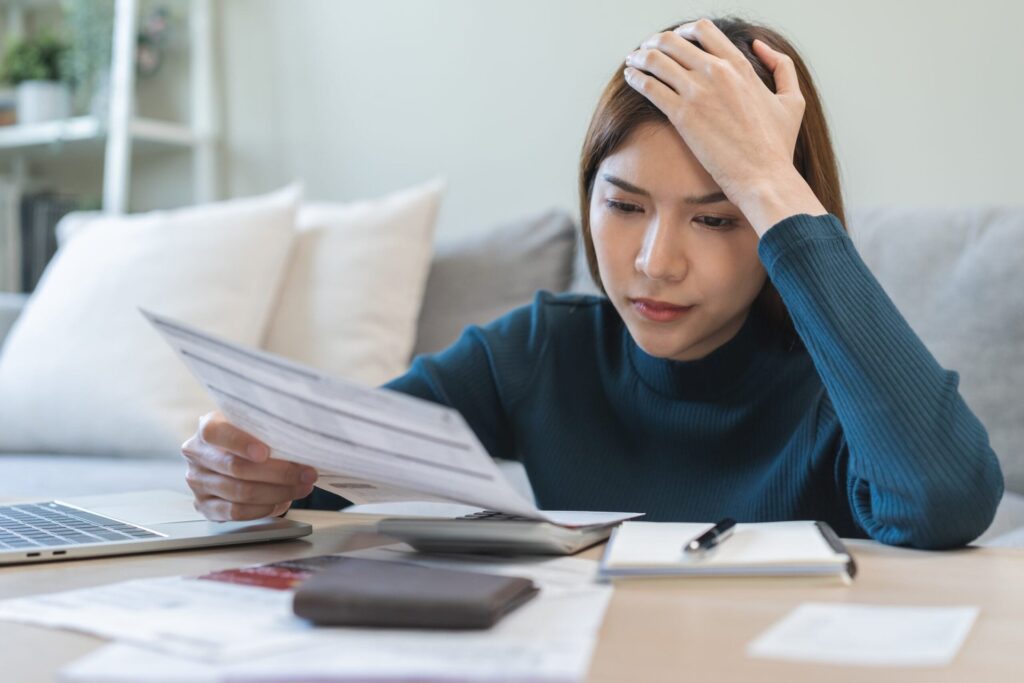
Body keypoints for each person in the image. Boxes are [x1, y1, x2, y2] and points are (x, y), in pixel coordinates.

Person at [181, 16, 1003, 549]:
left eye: (717, 217)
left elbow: (946, 500)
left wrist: (768, 178)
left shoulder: (847, 391)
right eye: (624, 204)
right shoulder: (541, 350)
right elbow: (331, 465)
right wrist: (257, 466)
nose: (653, 261)